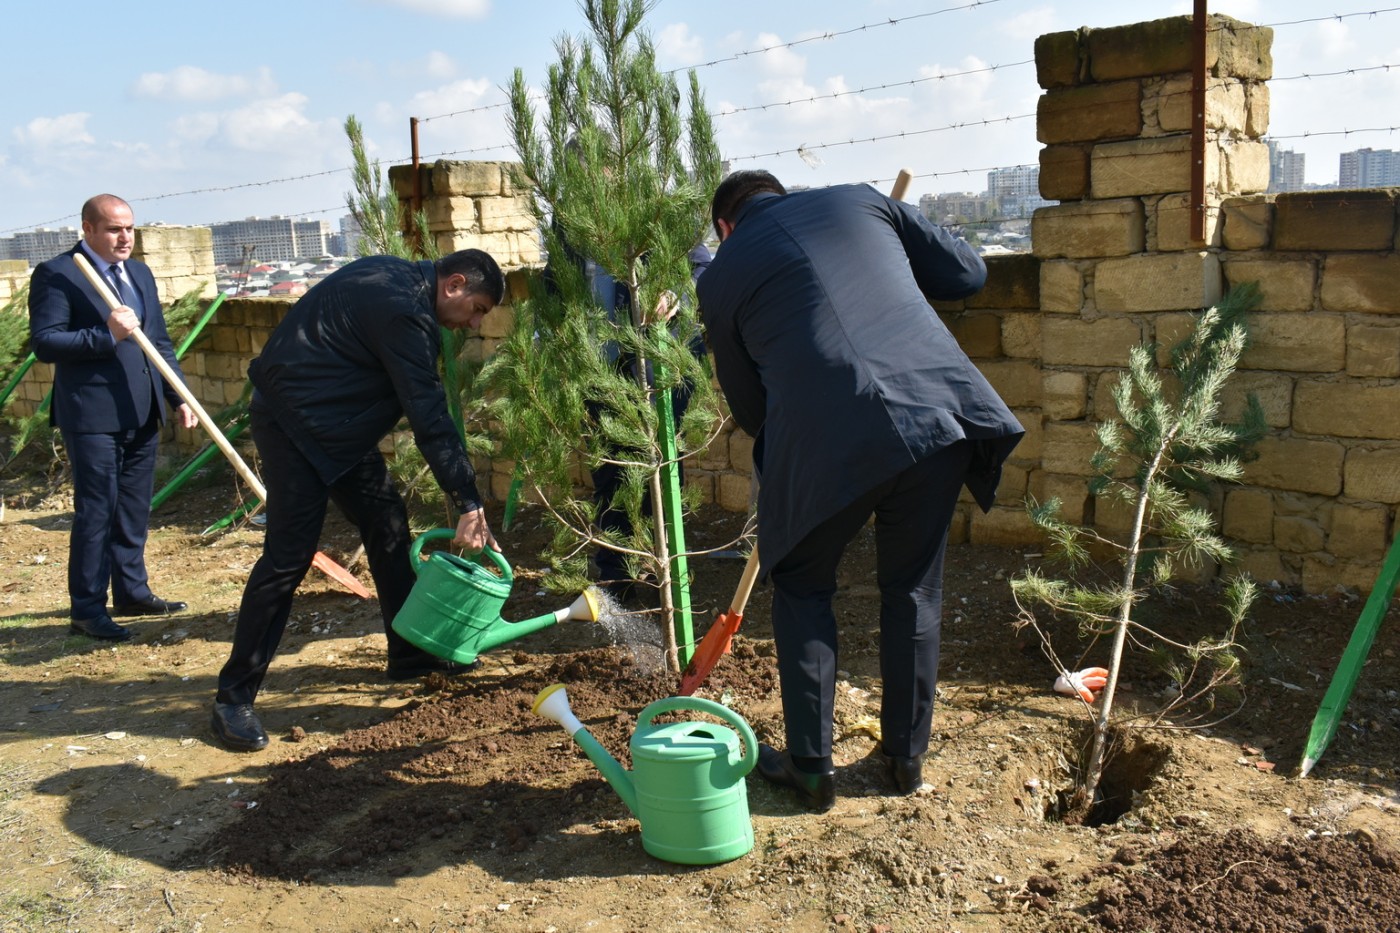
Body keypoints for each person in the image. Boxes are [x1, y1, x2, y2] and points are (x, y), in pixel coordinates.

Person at [697, 171, 1025, 810]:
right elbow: (968, 276)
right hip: (938, 416)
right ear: (785, 194)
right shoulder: (860, 199)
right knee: (913, 586)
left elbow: (750, 405)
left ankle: (812, 771)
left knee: (802, 583)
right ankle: (906, 760)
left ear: (724, 228)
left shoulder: (721, 275)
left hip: (826, 442)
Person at [211, 249, 505, 752]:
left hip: (335, 427)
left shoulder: (397, 276)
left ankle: (409, 652)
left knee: (386, 520)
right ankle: (232, 699)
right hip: (294, 424)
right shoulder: (402, 309)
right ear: (454, 284)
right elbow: (427, 411)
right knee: (288, 556)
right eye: (477, 308)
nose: (474, 323)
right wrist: (467, 501)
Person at [28, 194, 199, 642]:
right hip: (92, 415)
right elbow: (46, 343)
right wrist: (106, 334)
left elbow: (158, 342)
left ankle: (131, 590)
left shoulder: (139, 273)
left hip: (141, 410)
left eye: (129, 228)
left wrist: (177, 394)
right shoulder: (59, 274)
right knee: (97, 510)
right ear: (87, 228)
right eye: (113, 229)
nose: (125, 237)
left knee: (133, 510)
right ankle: (87, 608)